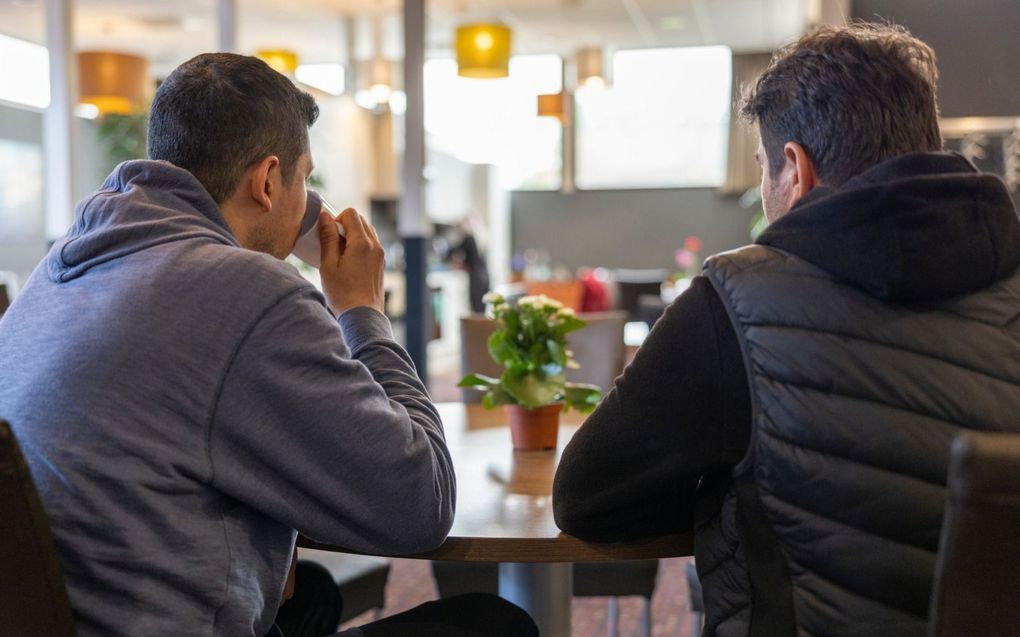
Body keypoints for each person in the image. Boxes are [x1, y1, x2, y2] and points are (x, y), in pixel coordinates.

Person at [0, 53, 536, 637]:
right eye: (305, 179)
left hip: (71, 614)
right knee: (494, 623)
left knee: (313, 596)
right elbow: (422, 503)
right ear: (267, 180)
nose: (308, 200)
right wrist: (361, 308)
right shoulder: (246, 290)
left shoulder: (59, 269)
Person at [553, 23, 1020, 637]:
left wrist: (737, 483)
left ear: (794, 171)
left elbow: (586, 496)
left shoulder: (738, 299)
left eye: (762, 173)